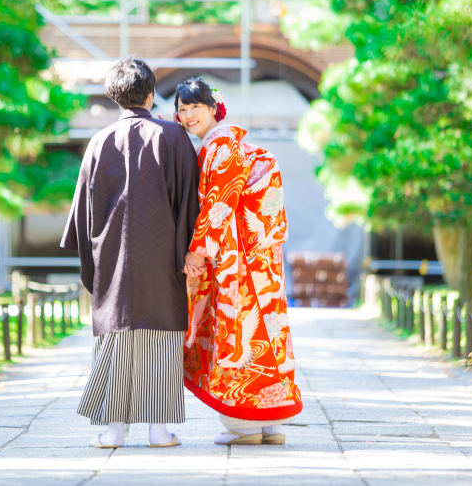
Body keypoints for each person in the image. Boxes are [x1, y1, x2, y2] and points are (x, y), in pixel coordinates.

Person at [61, 57, 200, 449]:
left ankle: (113, 430)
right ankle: (159, 430)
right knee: (161, 339)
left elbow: (84, 216)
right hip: (163, 257)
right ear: (152, 94)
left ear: (113, 97)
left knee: (116, 338)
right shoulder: (173, 137)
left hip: (113, 259)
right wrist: (186, 253)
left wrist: (94, 263)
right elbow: (190, 202)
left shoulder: (99, 142)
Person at [177, 77, 303, 445]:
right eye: (182, 109)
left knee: (237, 335)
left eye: (194, 107)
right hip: (256, 260)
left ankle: (244, 425)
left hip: (235, 262)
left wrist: (197, 251)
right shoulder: (235, 147)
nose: (187, 116)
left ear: (213, 109)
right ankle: (270, 424)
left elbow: (218, 203)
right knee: (266, 335)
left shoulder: (221, 147)